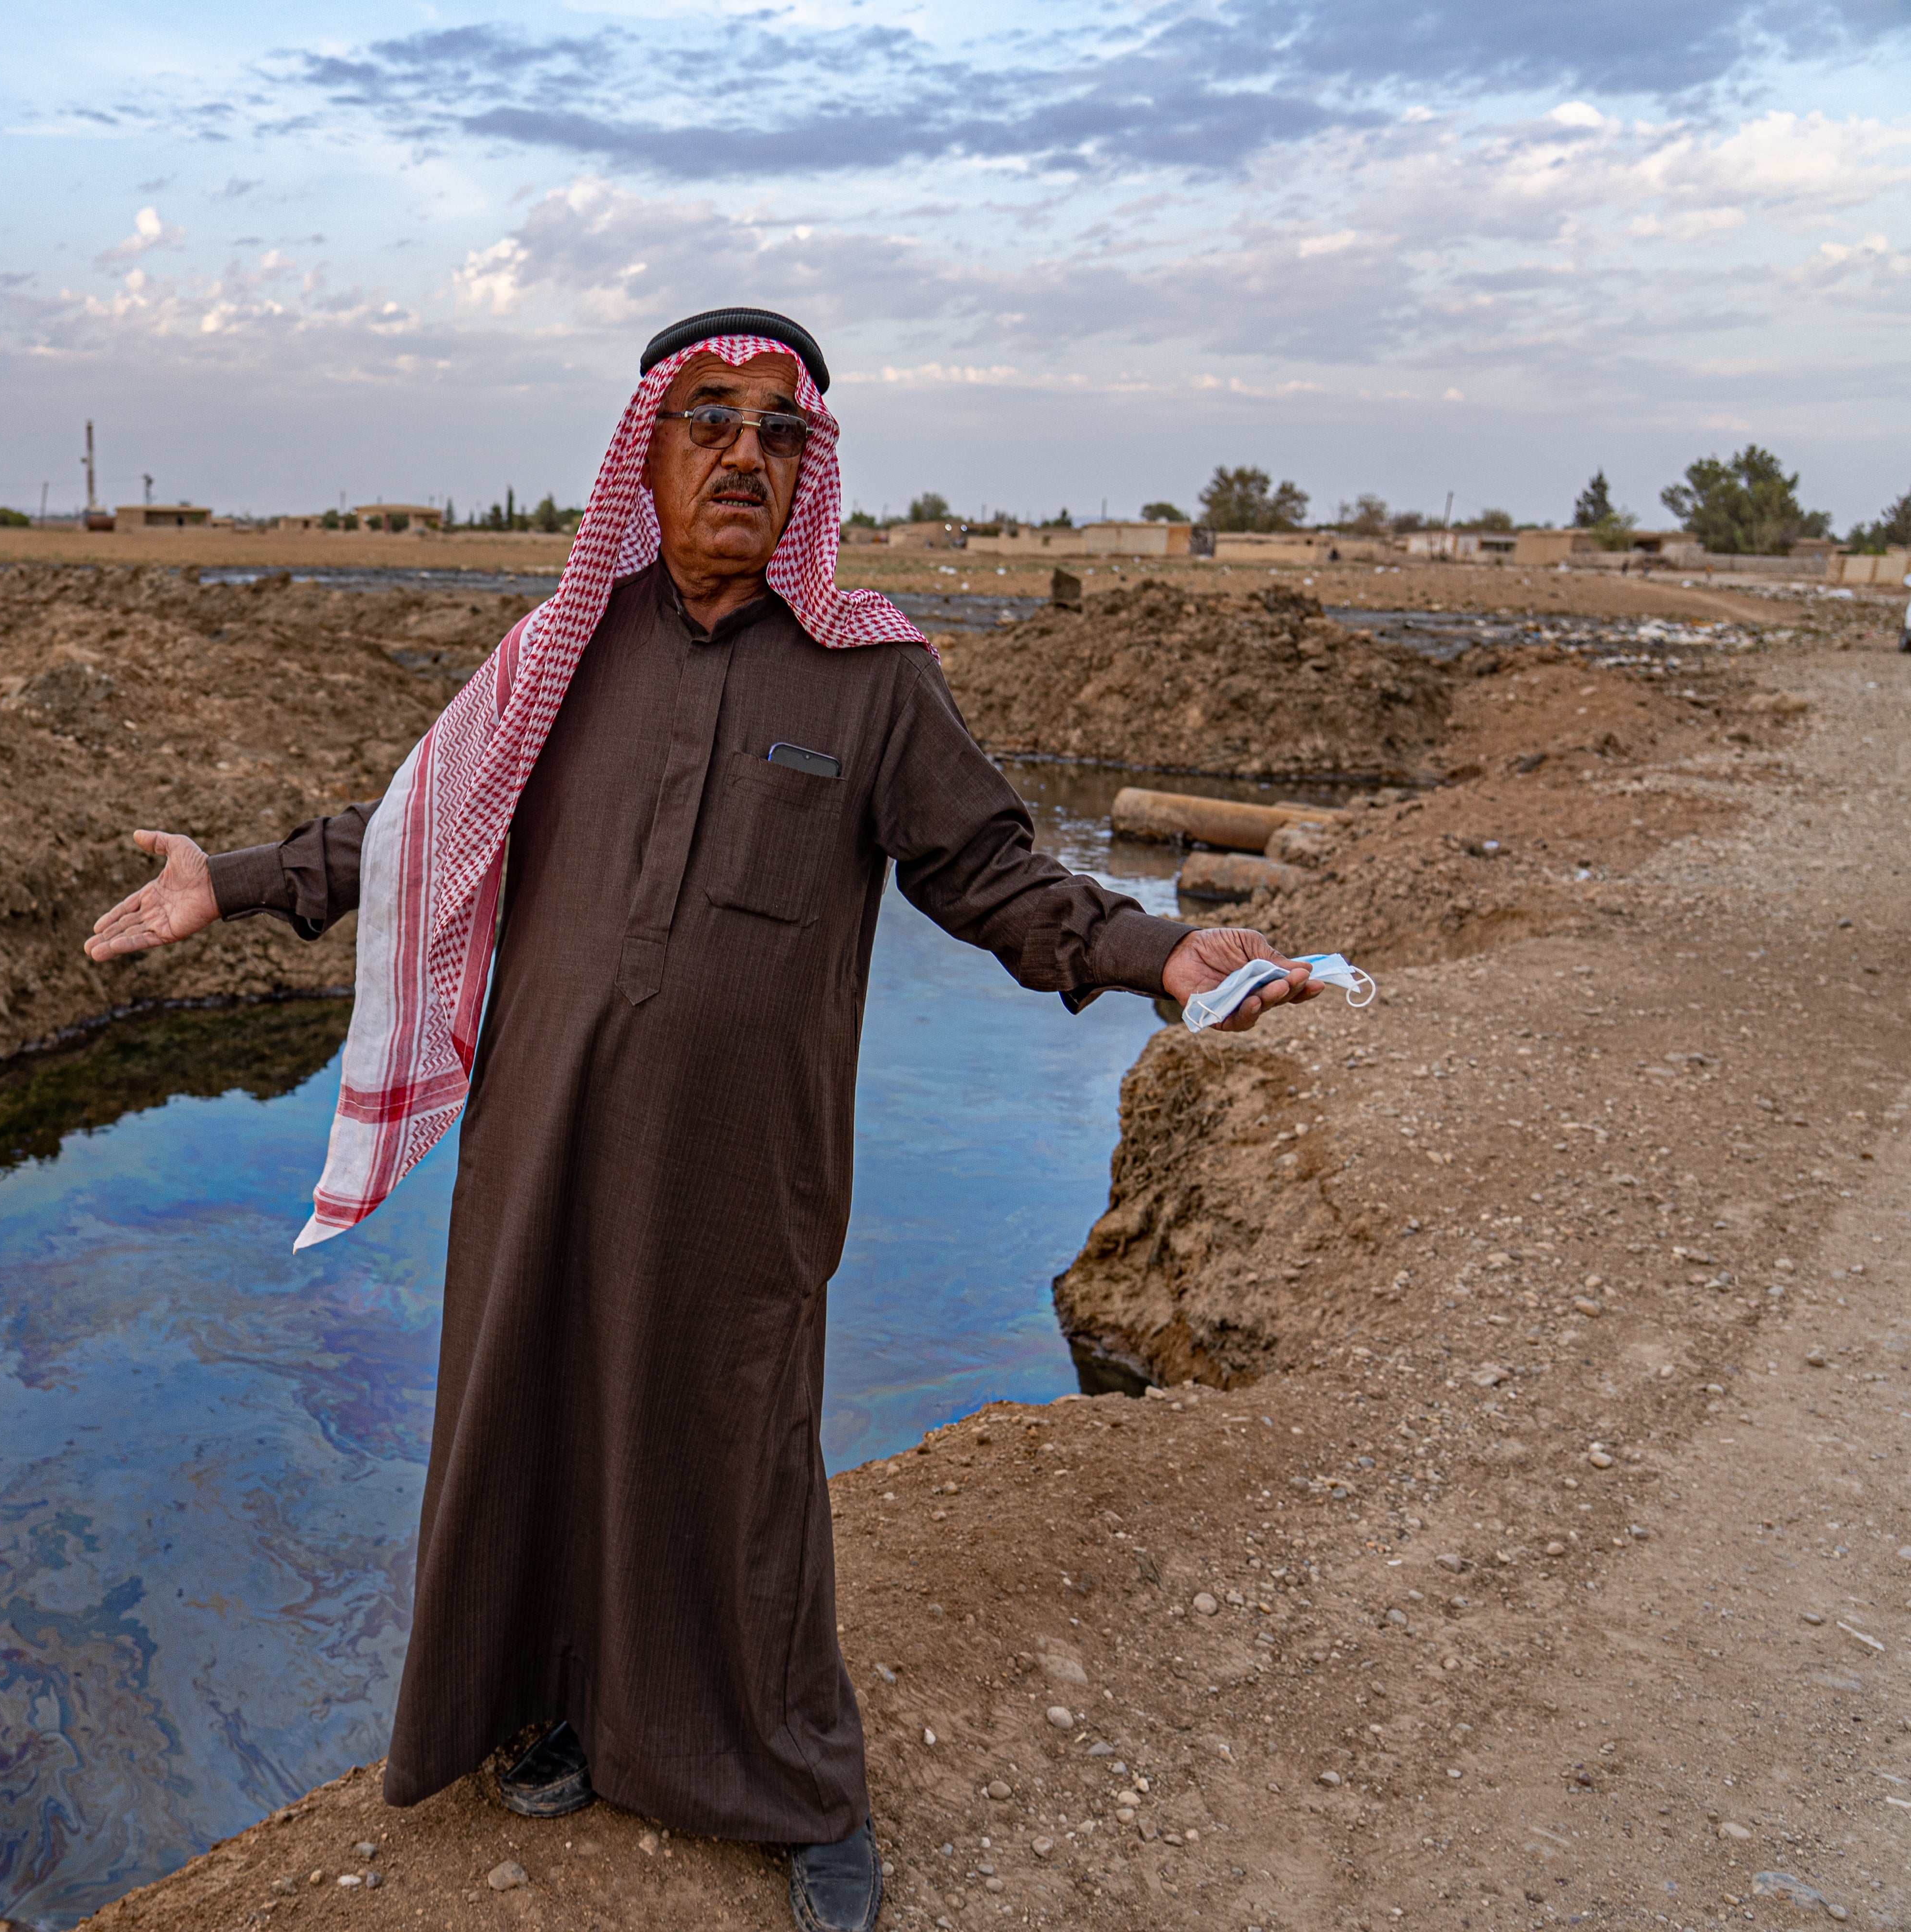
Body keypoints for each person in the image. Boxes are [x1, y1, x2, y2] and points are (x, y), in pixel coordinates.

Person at [84, 307, 1318, 1932]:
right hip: (545, 1143)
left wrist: (1165, 951)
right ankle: (546, 1712)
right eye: (709, 420)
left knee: (737, 1456)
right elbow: (405, 839)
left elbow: (990, 873)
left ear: (810, 468)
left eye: (777, 430)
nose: (745, 451)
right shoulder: (559, 657)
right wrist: (223, 888)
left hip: (747, 1162)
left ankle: (796, 1785)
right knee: (537, 1414)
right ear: (647, 453)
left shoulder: (873, 677)